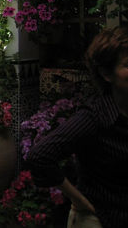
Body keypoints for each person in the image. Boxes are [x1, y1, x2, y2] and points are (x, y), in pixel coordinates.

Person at [26, 26, 128, 228]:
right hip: (100, 219)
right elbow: (40, 156)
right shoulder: (95, 117)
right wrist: (78, 199)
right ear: (107, 74)